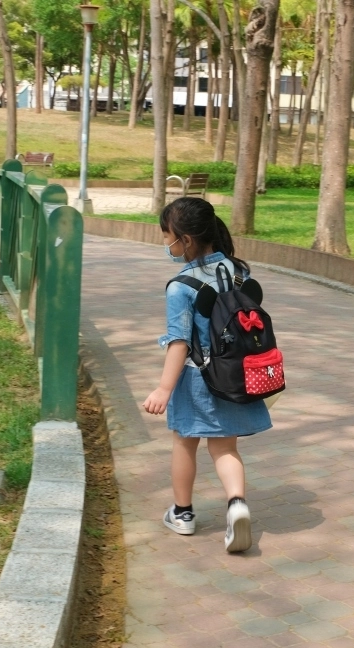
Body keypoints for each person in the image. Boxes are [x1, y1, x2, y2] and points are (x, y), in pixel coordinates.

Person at [142, 197, 272, 553]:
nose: (166, 244)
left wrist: (164, 388)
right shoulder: (240, 272)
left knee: (185, 442)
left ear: (185, 239)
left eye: (167, 236)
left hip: (197, 378)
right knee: (225, 446)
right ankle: (237, 504)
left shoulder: (181, 286)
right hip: (234, 374)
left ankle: (183, 513)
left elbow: (179, 343)